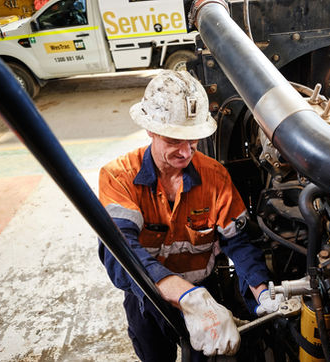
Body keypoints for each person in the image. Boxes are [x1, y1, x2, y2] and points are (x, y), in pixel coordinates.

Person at [98, 70, 282, 361]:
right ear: (151, 129)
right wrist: (184, 296)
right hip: (148, 299)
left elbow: (239, 242)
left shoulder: (214, 176)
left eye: (193, 140)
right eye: (174, 139)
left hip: (205, 295)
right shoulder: (119, 177)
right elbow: (120, 252)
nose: (185, 152)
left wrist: (261, 291)